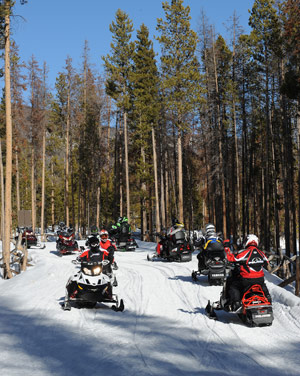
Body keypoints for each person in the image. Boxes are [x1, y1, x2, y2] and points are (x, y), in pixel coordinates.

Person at [227, 234, 271, 311]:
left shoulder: (245, 252)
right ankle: (268, 298)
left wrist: (226, 248)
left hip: (246, 280)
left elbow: (232, 258)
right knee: (262, 285)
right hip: (260, 279)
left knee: (234, 286)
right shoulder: (261, 253)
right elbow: (266, 262)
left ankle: (237, 303)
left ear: (247, 242)